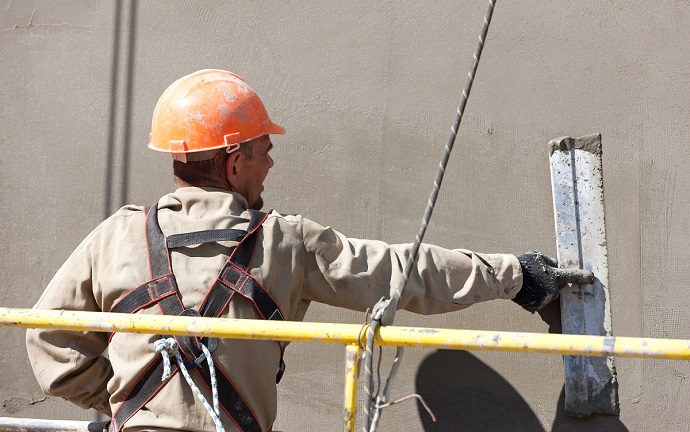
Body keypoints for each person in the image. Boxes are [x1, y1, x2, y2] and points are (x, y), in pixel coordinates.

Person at [26, 69, 593, 432]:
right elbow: (399, 272)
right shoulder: (282, 240)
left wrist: (134, 403)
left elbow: (47, 337)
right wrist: (515, 274)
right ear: (232, 163)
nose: (271, 163)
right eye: (263, 150)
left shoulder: (116, 236)